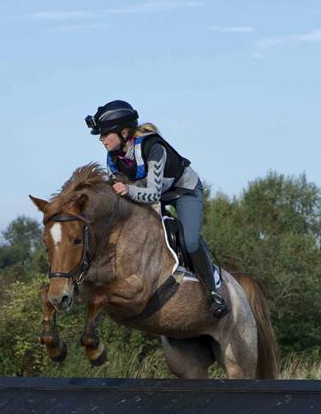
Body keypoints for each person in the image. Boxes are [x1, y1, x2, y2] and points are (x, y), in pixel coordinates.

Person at [85, 100, 229, 318]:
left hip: (184, 192)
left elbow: (151, 193)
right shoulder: (113, 158)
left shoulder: (153, 147)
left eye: (105, 134)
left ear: (124, 132)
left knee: (189, 241)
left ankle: (213, 291)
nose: (101, 139)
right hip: (155, 195)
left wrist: (128, 190)